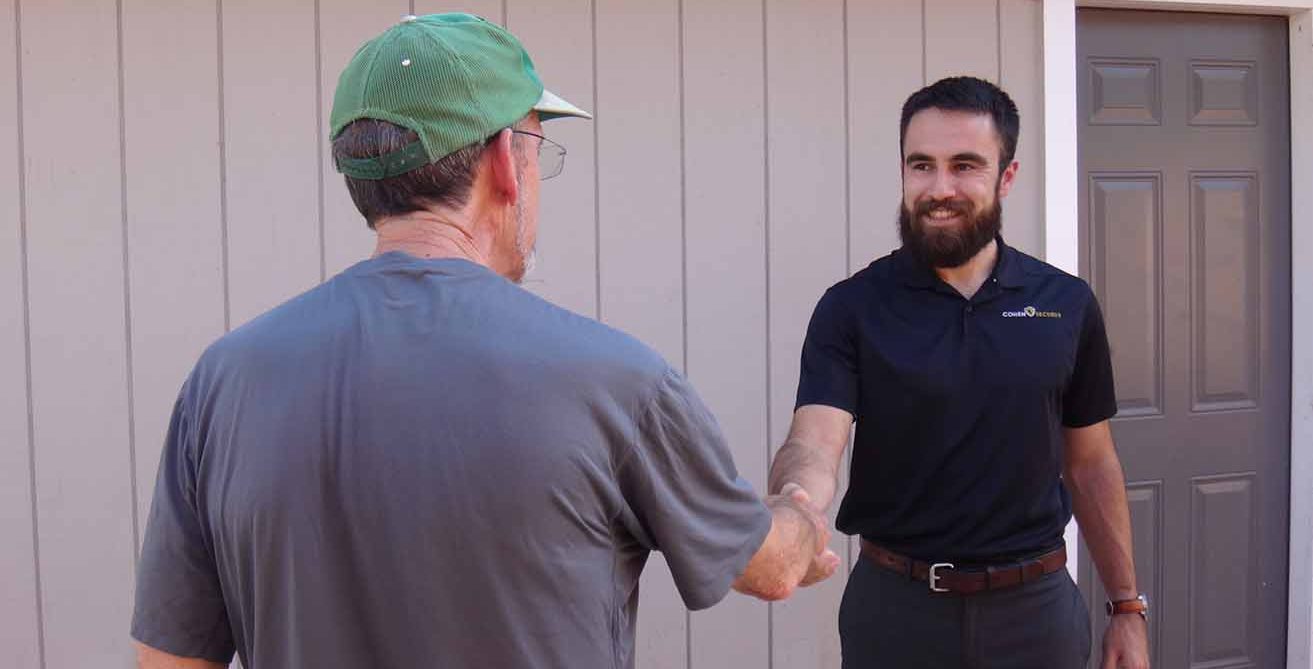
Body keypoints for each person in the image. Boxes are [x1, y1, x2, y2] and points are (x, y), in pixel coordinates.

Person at [130, 13, 837, 669]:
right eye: (537, 146)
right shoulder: (613, 380)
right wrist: (800, 507)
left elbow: (169, 658)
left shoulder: (225, 381)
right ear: (505, 160)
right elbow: (770, 566)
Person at [768, 76, 1150, 669]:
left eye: (964, 165)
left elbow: (1091, 461)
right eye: (921, 165)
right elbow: (815, 440)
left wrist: (1128, 607)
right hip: (895, 612)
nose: (939, 188)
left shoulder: (1065, 304)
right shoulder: (852, 307)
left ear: (1007, 177)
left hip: (1037, 614)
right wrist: (796, 503)